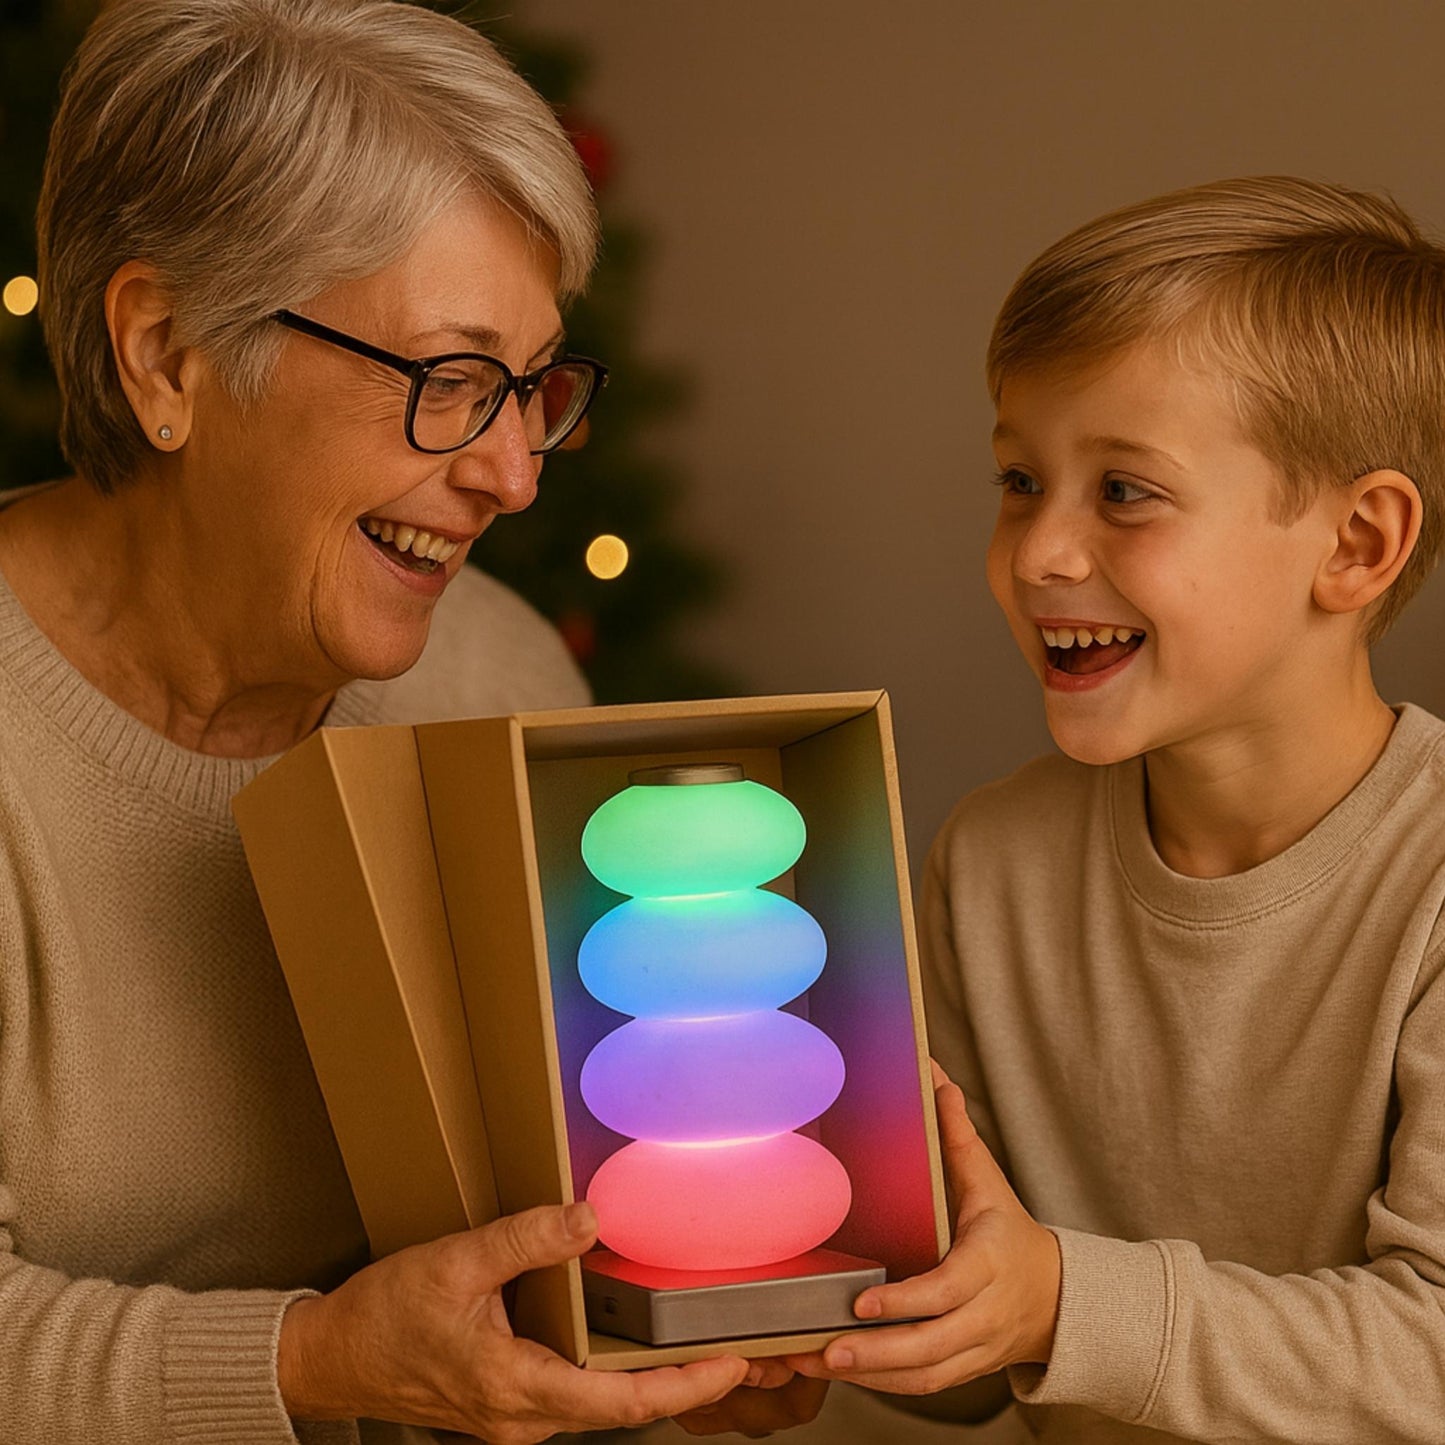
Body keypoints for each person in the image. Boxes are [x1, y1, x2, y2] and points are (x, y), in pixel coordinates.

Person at [0, 1, 814, 1440]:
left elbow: (563, 1202)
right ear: (169, 351)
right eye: (449, 380)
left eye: (535, 387)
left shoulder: (490, 675)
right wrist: (312, 1362)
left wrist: (668, 1336)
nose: (514, 473)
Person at [785, 176, 1445, 1441]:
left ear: (1357, 543)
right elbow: (979, 1354)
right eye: (1019, 479)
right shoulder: (990, 863)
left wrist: (1060, 1302)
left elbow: (1426, 1353)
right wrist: (843, 1320)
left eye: (1124, 490)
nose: (1037, 552)